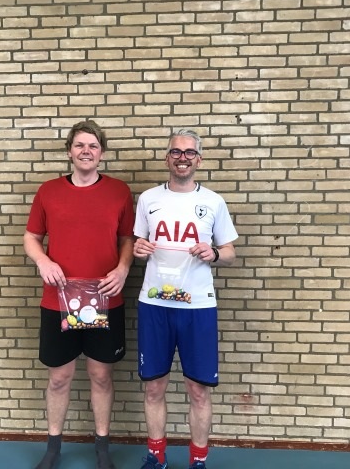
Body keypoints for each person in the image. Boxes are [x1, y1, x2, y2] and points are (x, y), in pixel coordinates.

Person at [23, 120, 135, 469]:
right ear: (70, 151)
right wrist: (43, 261)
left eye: (93, 146)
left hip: (105, 298)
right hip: (58, 300)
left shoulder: (119, 192)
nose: (87, 151)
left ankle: (102, 449)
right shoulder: (48, 191)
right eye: (80, 145)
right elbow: (31, 237)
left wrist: (123, 269)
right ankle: (53, 448)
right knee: (59, 378)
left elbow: (128, 239)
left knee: (101, 376)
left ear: (102, 153)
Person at [133, 129, 238, 469]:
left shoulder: (213, 202)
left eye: (189, 152)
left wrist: (214, 253)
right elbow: (137, 245)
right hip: (155, 305)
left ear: (199, 160)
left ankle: (198, 461)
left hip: (198, 307)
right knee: (154, 388)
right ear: (167, 158)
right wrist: (138, 249)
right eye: (176, 152)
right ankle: (156, 457)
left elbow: (230, 253)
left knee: (198, 390)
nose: (182, 157)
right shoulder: (148, 199)